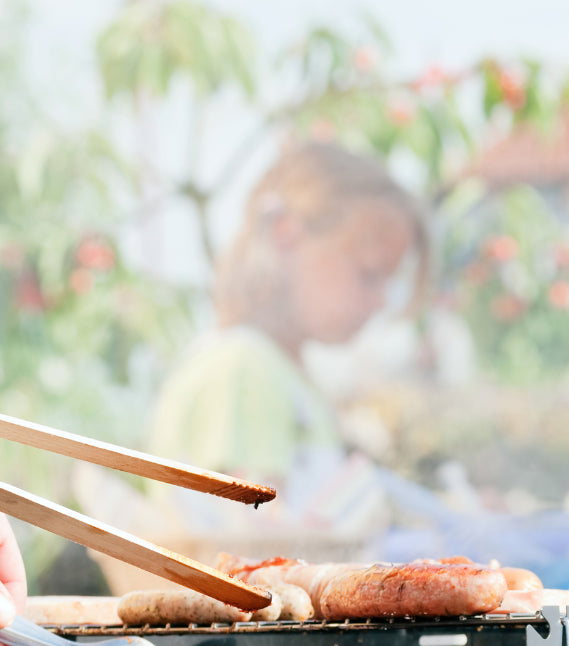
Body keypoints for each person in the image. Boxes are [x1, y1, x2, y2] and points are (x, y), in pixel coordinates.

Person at [132, 139, 429, 542]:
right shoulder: (244, 368)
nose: (380, 302)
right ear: (286, 236)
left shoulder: (280, 372)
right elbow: (259, 549)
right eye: (369, 275)